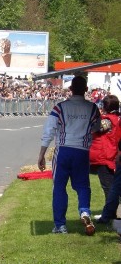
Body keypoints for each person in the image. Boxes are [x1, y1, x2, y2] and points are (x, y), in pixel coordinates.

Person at [38, 75, 101, 235]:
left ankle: (60, 225)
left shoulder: (60, 107)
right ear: (86, 89)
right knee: (83, 185)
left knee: (59, 187)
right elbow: (96, 127)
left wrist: (42, 153)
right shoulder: (92, 108)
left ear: (71, 89)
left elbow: (49, 130)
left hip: (64, 149)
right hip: (82, 151)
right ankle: (85, 211)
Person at [89, 95, 121, 201]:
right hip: (110, 154)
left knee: (108, 187)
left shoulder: (107, 120)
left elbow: (93, 129)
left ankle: (110, 214)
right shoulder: (116, 119)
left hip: (103, 156)